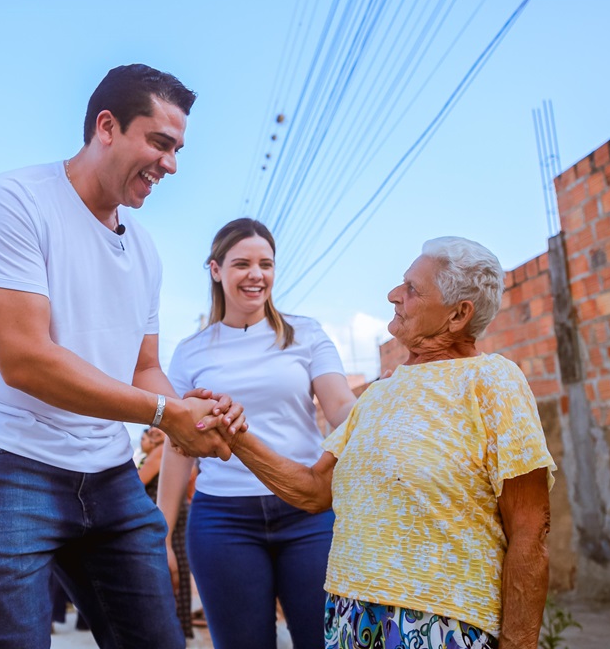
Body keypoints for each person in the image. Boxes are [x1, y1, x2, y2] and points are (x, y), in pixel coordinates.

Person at [0, 64, 246, 649]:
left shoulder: (146, 248)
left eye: (177, 149)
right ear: (106, 126)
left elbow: (143, 368)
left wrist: (190, 411)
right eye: (159, 143)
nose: (171, 165)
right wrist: (162, 415)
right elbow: (24, 359)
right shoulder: (10, 202)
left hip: (106, 473)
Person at [223, 236, 556, 649]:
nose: (394, 295)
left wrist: (519, 643)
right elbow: (313, 490)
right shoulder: (378, 395)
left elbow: (530, 530)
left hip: (440, 624)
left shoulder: (492, 381)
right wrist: (232, 436)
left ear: (458, 315)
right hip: (351, 617)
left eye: (412, 289)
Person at [158, 218, 358, 649]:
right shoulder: (190, 351)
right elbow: (179, 449)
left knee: (327, 641)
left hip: (308, 515)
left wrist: (388, 413)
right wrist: (162, 533)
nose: (256, 274)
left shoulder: (306, 334)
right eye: (242, 263)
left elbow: (341, 405)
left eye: (265, 264)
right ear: (216, 270)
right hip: (222, 521)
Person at [136, 427, 194, 639]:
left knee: (167, 567)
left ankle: (170, 628)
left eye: (156, 429)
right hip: (177, 514)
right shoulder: (171, 451)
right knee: (177, 565)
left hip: (164, 516)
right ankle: (180, 627)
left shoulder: (160, 452)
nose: (152, 431)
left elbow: (139, 481)